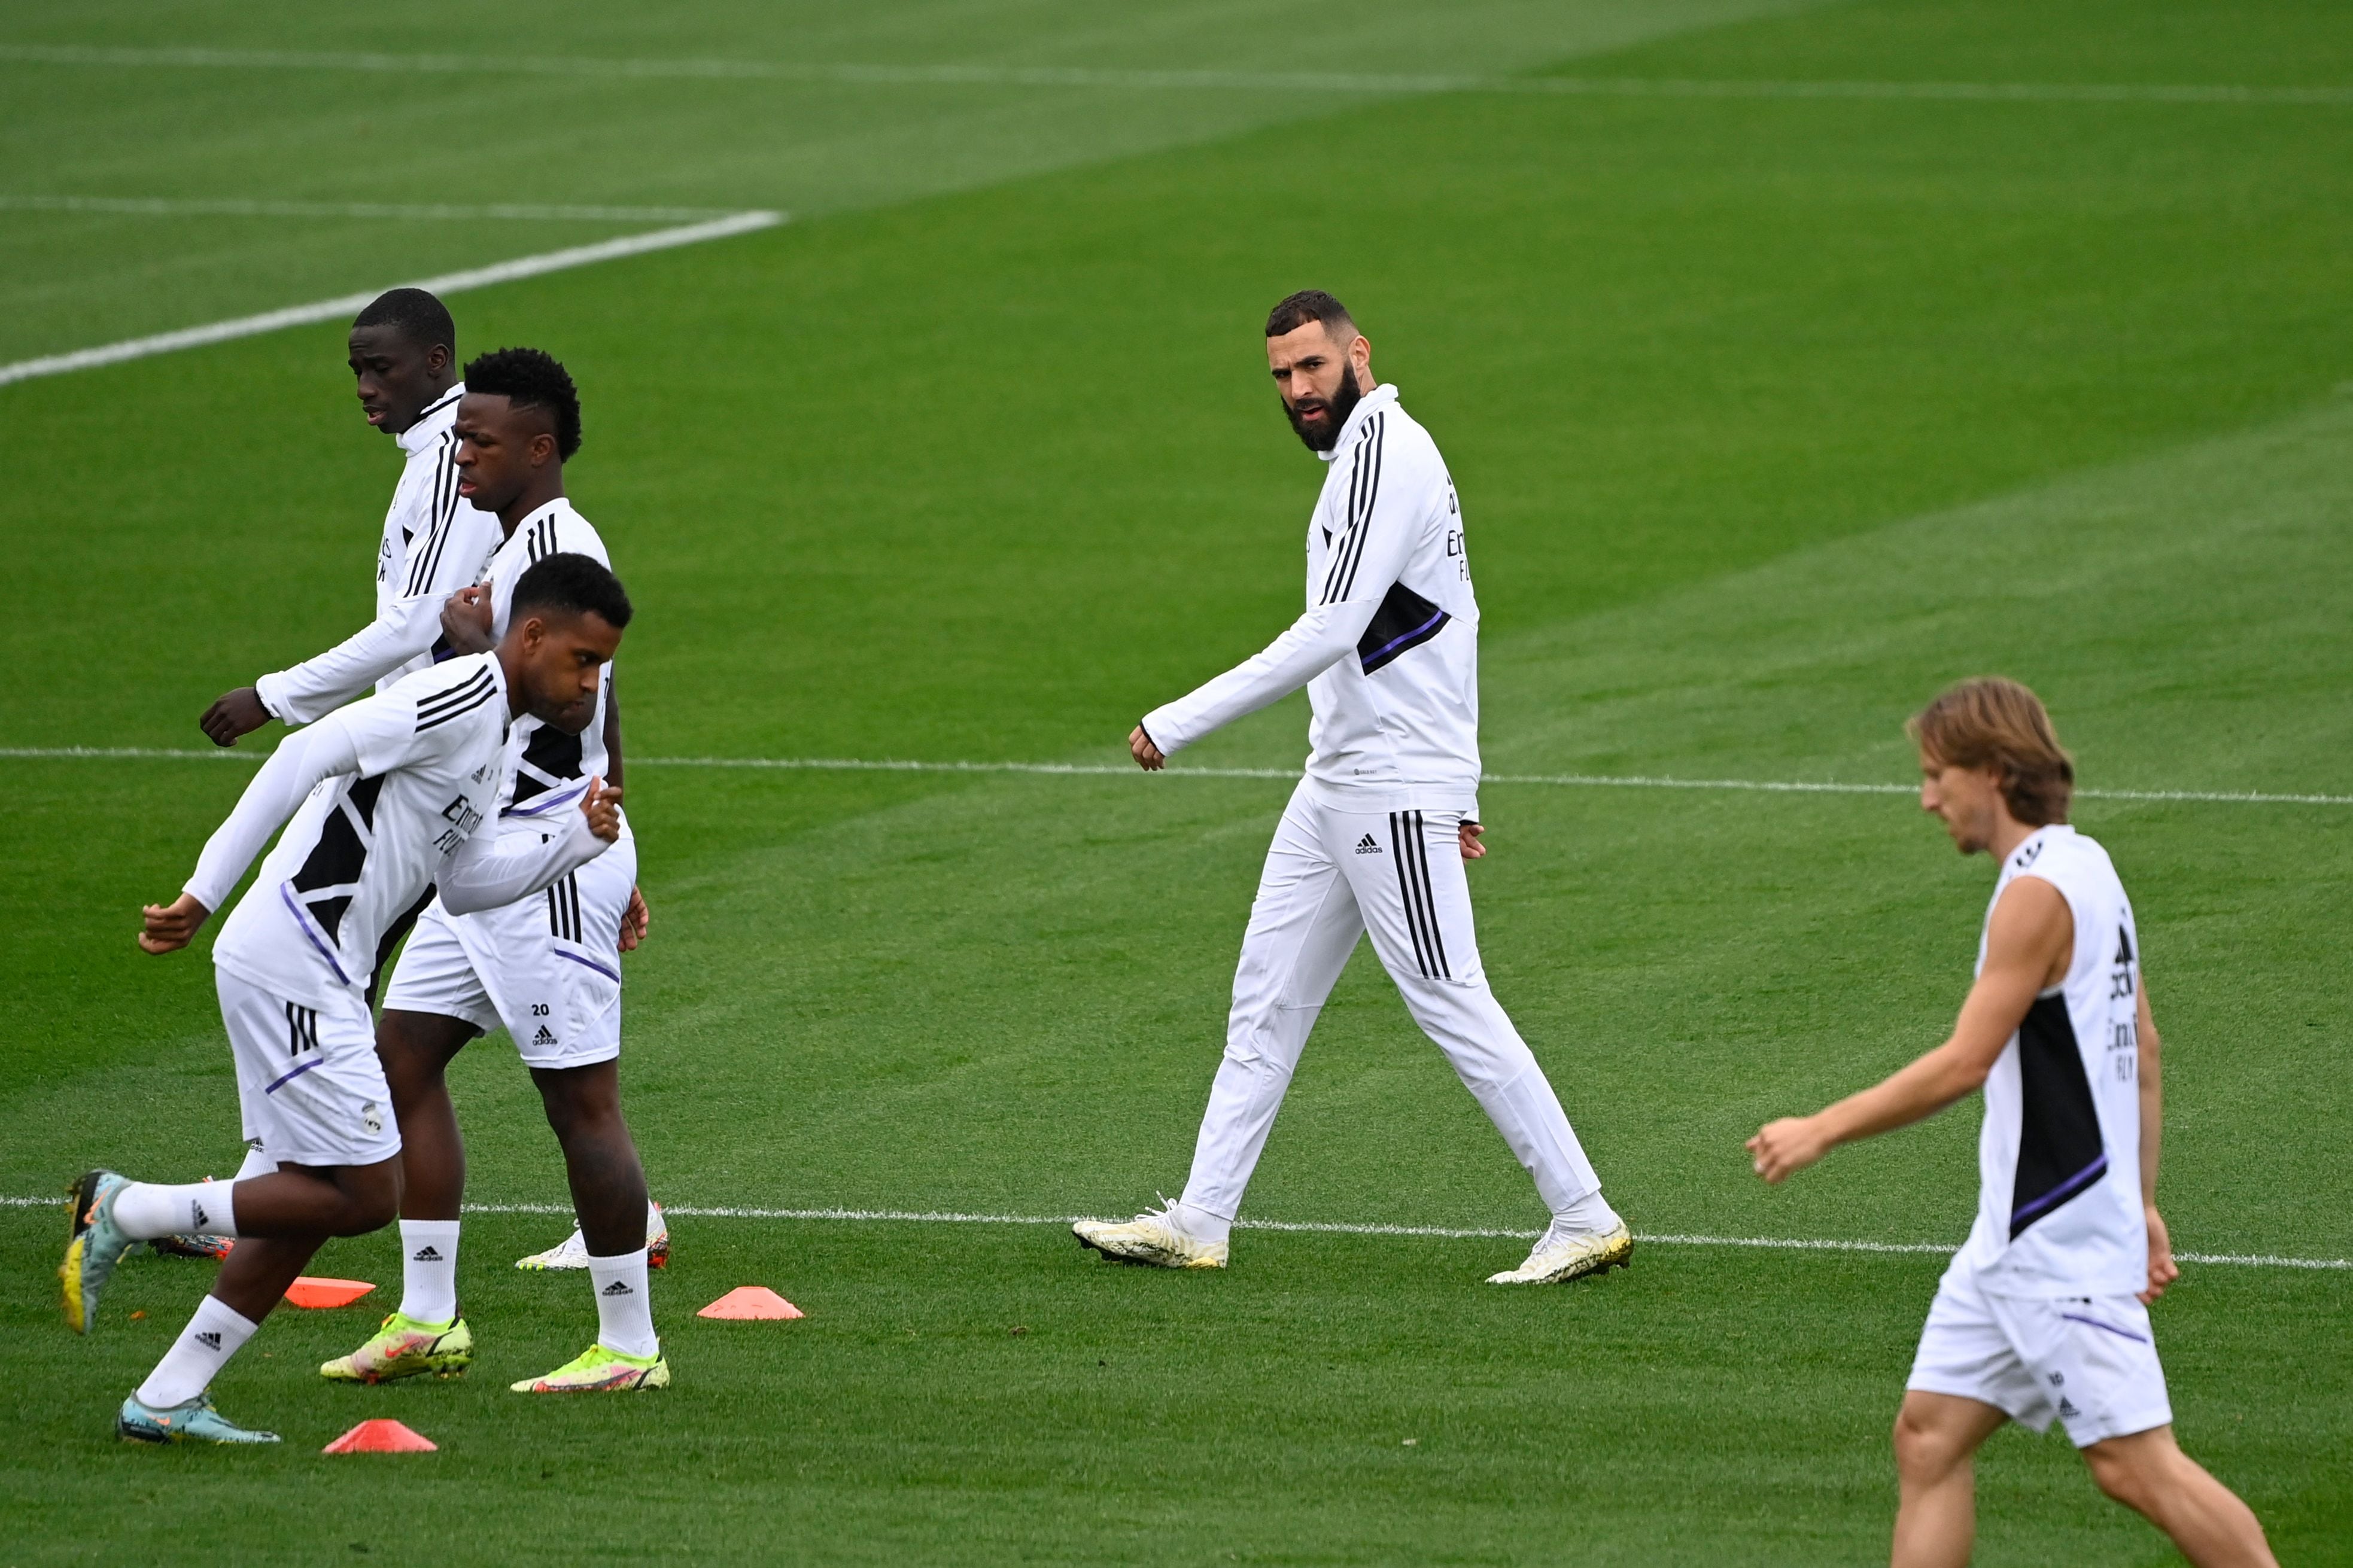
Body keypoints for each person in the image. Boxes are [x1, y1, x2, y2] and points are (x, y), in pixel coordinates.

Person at [1072, 291, 1628, 1285]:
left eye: (1312, 368)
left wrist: (1176, 720)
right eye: (1281, 376)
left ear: (1358, 356)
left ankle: (1584, 1213)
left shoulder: (1386, 453)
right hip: (1340, 781)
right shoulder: (1361, 463)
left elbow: (1334, 629)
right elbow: (1443, 623)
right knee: (1265, 1003)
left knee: (1450, 995)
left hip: (1387, 784)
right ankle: (1200, 1218)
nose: (1297, 391)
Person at [63, 552, 635, 1443]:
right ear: (531, 635)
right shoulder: (460, 697)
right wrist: (203, 889)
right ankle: (127, 1208)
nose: (594, 686)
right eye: (584, 661)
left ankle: (168, 1396)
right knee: (368, 1193)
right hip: (295, 958)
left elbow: (466, 881)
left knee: (310, 1196)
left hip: (319, 969)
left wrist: (573, 841)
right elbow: (306, 750)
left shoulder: (499, 739)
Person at [1747, 678, 2275, 1568]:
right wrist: (2140, 1201)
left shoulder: (2033, 896)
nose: (1925, 798)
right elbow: (2142, 1042)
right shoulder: (2091, 864)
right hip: (2012, 1242)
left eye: (1934, 775)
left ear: (1990, 773)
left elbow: (1964, 1062)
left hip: (2051, 1241)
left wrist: (1823, 1127)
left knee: (2137, 1466)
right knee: (1927, 1438)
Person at [324, 348, 665, 1396]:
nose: (459, 451)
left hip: (543, 860)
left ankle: (629, 1345)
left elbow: (570, 702)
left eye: (479, 438)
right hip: (494, 851)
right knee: (402, 1062)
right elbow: (603, 708)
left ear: (539, 447)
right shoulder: (523, 541)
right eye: (460, 433)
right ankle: (429, 1315)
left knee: (583, 1109)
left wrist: (472, 644)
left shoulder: (557, 544)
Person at [159, 289, 503, 1262]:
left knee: (365, 964)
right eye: (354, 368)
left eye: (379, 368)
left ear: (436, 363)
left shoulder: (448, 462)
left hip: (429, 758)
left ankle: (220, 1200)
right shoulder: (443, 453)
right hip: (417, 751)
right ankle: (254, 1187)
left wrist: (274, 693)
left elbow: (414, 625)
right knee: (350, 960)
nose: (362, 388)